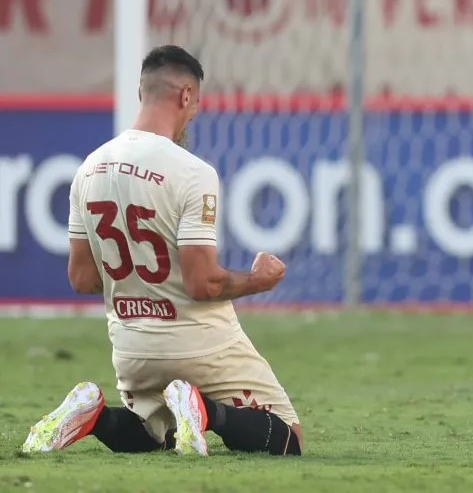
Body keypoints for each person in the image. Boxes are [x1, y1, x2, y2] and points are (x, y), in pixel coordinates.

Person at [21, 45, 301, 457]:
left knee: (154, 435)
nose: (194, 114)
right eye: (196, 104)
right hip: (200, 344)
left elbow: (80, 278)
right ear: (186, 96)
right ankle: (202, 408)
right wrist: (259, 279)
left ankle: (92, 414)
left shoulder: (89, 168)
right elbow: (202, 283)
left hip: (133, 348)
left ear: (140, 91)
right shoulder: (193, 172)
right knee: (289, 437)